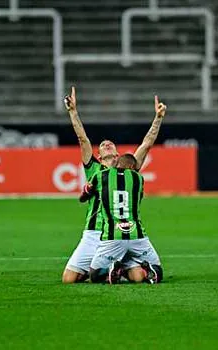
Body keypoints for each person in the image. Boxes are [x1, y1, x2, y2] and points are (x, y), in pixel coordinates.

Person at [61, 86, 166, 283]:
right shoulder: (94, 170)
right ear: (99, 156)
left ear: (118, 155)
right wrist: (73, 111)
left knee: (137, 277)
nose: (106, 144)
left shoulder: (129, 169)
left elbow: (147, 143)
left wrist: (158, 117)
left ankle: (110, 269)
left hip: (120, 232)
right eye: (102, 145)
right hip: (94, 233)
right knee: (68, 279)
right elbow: (82, 139)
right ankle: (110, 268)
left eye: (110, 144)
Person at [83, 153, 163, 284]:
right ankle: (150, 272)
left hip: (112, 237)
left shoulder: (100, 175)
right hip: (137, 237)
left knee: (94, 275)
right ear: (132, 167)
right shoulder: (139, 178)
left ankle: (111, 269)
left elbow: (84, 196)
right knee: (158, 270)